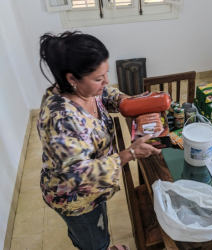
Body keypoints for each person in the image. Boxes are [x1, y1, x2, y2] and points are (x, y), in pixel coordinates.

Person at [38, 31, 161, 250]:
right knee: (94, 240)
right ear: (72, 79)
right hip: (75, 198)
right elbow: (78, 176)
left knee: (93, 228)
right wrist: (129, 153)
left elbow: (106, 94)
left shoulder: (83, 90)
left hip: (94, 191)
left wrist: (129, 103)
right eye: (98, 78)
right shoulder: (61, 119)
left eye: (105, 73)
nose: (106, 81)